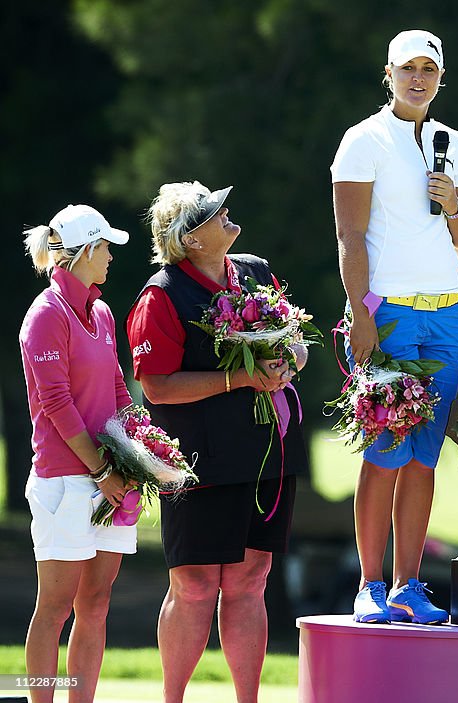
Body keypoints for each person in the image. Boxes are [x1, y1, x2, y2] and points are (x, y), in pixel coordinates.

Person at [126, 182, 306, 703]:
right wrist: (241, 380)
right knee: (196, 585)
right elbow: (156, 385)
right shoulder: (160, 295)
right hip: (198, 462)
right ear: (190, 239)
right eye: (211, 213)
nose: (227, 214)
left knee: (251, 581)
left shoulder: (255, 272)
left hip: (268, 454)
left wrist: (285, 362)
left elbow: (297, 345)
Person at [331, 29, 458, 625]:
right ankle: (369, 584)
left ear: (441, 78)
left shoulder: (452, 141)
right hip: (388, 310)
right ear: (387, 74)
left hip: (448, 311)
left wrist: (453, 203)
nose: (419, 79)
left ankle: (408, 585)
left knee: (424, 456)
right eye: (408, 69)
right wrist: (359, 309)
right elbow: (349, 236)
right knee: (386, 448)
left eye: (429, 69)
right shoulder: (362, 141)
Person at [20, 205, 134, 703]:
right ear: (85, 251)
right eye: (105, 247)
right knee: (56, 607)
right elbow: (57, 405)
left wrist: (144, 450)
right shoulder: (45, 315)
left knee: (96, 603)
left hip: (110, 476)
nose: (110, 256)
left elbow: (115, 387)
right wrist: (103, 470)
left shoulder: (102, 311)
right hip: (65, 481)